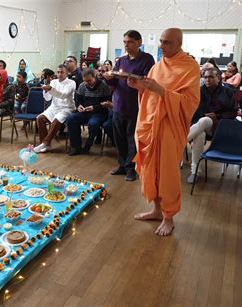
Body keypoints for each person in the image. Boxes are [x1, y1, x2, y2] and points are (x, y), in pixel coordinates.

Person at [128, 28, 200, 236]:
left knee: (167, 172)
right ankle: (157, 210)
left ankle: (169, 217)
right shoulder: (158, 66)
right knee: (151, 169)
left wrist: (160, 90)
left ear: (179, 44)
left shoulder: (190, 67)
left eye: (167, 42)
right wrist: (139, 87)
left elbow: (190, 102)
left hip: (170, 126)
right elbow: (150, 93)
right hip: (150, 124)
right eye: (161, 41)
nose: (162, 46)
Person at [104, 30, 155, 182]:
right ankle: (121, 164)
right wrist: (108, 78)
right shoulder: (121, 60)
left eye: (130, 42)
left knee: (132, 139)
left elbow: (148, 81)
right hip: (118, 104)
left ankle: (131, 168)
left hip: (136, 105)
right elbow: (114, 84)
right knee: (119, 138)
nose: (127, 45)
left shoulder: (147, 59)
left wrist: (131, 77)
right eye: (125, 42)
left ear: (139, 42)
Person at [187, 67, 237, 183]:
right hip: (198, 127)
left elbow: (234, 112)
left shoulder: (228, 92)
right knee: (200, 135)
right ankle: (195, 172)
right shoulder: (197, 92)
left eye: (211, 77)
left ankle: (178, 144)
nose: (207, 80)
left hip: (220, 127)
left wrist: (217, 116)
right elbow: (190, 112)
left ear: (218, 78)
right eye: (205, 77)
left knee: (205, 121)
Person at [66, 69, 111, 155]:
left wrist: (94, 107)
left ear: (95, 77)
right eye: (85, 81)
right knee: (71, 119)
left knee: (93, 124)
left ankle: (87, 146)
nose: (87, 83)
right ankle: (75, 147)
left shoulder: (103, 86)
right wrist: (79, 106)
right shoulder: (82, 86)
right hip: (85, 112)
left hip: (99, 113)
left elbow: (107, 103)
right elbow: (78, 100)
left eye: (89, 80)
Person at [34, 64, 76, 153]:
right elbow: (48, 98)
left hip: (67, 108)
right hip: (54, 107)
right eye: (58, 72)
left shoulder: (72, 83)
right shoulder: (53, 82)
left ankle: (44, 143)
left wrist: (51, 89)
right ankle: (47, 145)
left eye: (62, 72)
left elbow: (63, 95)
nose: (60, 74)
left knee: (57, 120)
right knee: (40, 118)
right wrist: (45, 90)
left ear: (67, 73)